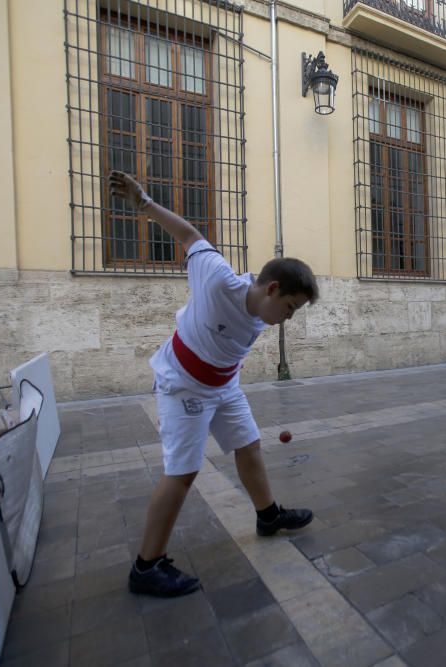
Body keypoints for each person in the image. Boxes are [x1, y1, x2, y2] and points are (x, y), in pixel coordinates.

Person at [108, 171, 318, 598]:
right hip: (182, 384)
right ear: (272, 289)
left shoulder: (262, 310)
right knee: (182, 473)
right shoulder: (216, 276)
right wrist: (144, 201)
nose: (289, 318)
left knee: (249, 444)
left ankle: (267, 516)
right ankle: (146, 567)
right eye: (291, 308)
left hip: (223, 386)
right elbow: (188, 234)